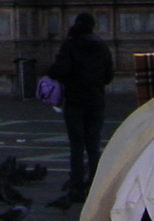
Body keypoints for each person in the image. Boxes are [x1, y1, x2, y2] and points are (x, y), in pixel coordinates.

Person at [47, 12, 115, 198]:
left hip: (75, 102)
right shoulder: (102, 47)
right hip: (96, 102)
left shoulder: (70, 45)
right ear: (93, 27)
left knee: (76, 146)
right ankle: (94, 183)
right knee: (93, 146)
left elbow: (59, 70)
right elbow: (109, 76)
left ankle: (76, 185)